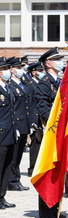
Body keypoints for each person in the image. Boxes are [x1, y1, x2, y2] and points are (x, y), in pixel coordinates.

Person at [35, 47, 68, 218]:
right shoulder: (44, 83)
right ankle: (47, 211)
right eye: (57, 59)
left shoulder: (59, 81)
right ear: (48, 63)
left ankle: (55, 207)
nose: (61, 62)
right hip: (51, 133)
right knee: (49, 171)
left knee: (58, 171)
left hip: (60, 132)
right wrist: (57, 124)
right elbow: (43, 107)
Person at [8, 57, 31, 191]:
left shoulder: (21, 84)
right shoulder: (11, 85)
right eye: (18, 68)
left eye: (22, 68)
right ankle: (12, 181)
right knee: (13, 155)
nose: (21, 70)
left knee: (19, 155)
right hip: (16, 124)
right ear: (12, 70)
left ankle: (16, 178)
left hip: (24, 125)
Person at [0, 57, 16, 209]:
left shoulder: (8, 87)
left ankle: (2, 196)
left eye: (7, 69)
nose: (7, 72)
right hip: (1, 134)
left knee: (6, 167)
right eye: (3, 69)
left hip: (10, 134)